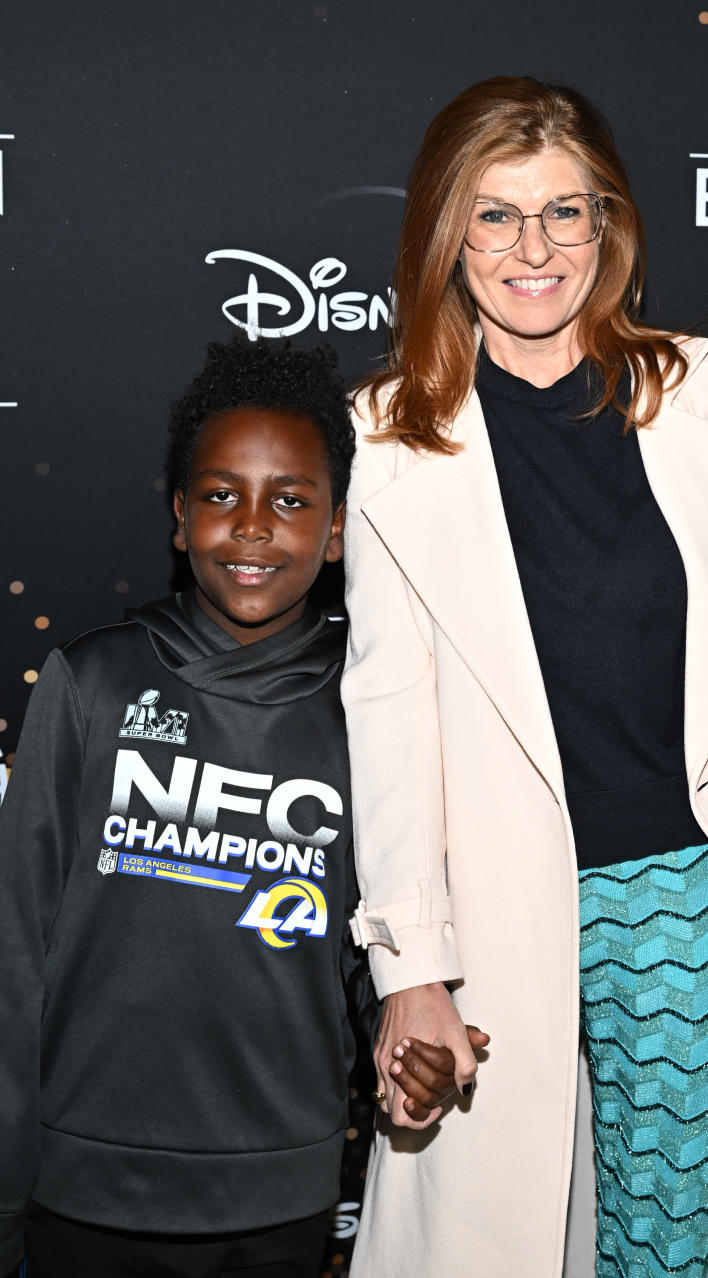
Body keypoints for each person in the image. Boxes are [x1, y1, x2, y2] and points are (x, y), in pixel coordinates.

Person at [342, 77, 708, 1278]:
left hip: (682, 899)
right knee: (493, 1247)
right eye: (495, 216)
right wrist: (412, 965)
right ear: (445, 236)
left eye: (564, 213)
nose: (534, 249)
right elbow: (389, 715)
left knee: (666, 1253)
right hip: (491, 916)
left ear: (607, 228)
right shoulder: (390, 433)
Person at [0, 336, 467, 1278]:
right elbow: (14, 955)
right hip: (83, 1189)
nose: (252, 527)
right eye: (221, 496)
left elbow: (363, 944)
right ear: (180, 518)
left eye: (291, 501)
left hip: (279, 1197)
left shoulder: (369, 712)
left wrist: (400, 1042)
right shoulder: (92, 682)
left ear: (337, 530)